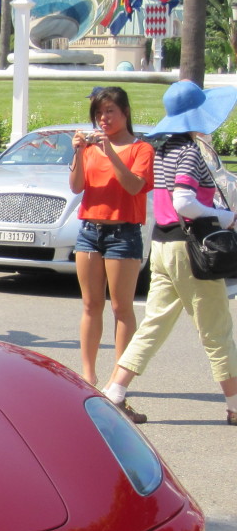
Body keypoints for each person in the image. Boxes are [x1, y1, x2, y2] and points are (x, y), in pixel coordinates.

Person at [102, 80, 237, 426]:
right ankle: (235, 405)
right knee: (216, 329)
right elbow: (184, 202)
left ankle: (115, 391)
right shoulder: (190, 151)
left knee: (154, 323)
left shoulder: (164, 148)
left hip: (161, 245)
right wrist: (226, 217)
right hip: (189, 247)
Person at [69, 86, 154, 385]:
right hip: (90, 231)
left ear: (125, 112)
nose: (103, 119)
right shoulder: (90, 148)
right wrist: (78, 152)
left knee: (121, 308)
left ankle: (118, 380)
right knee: (91, 305)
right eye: (98, 113)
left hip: (124, 232)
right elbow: (77, 187)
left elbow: (134, 186)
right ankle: (88, 375)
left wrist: (111, 154)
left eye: (109, 112)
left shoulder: (141, 149)